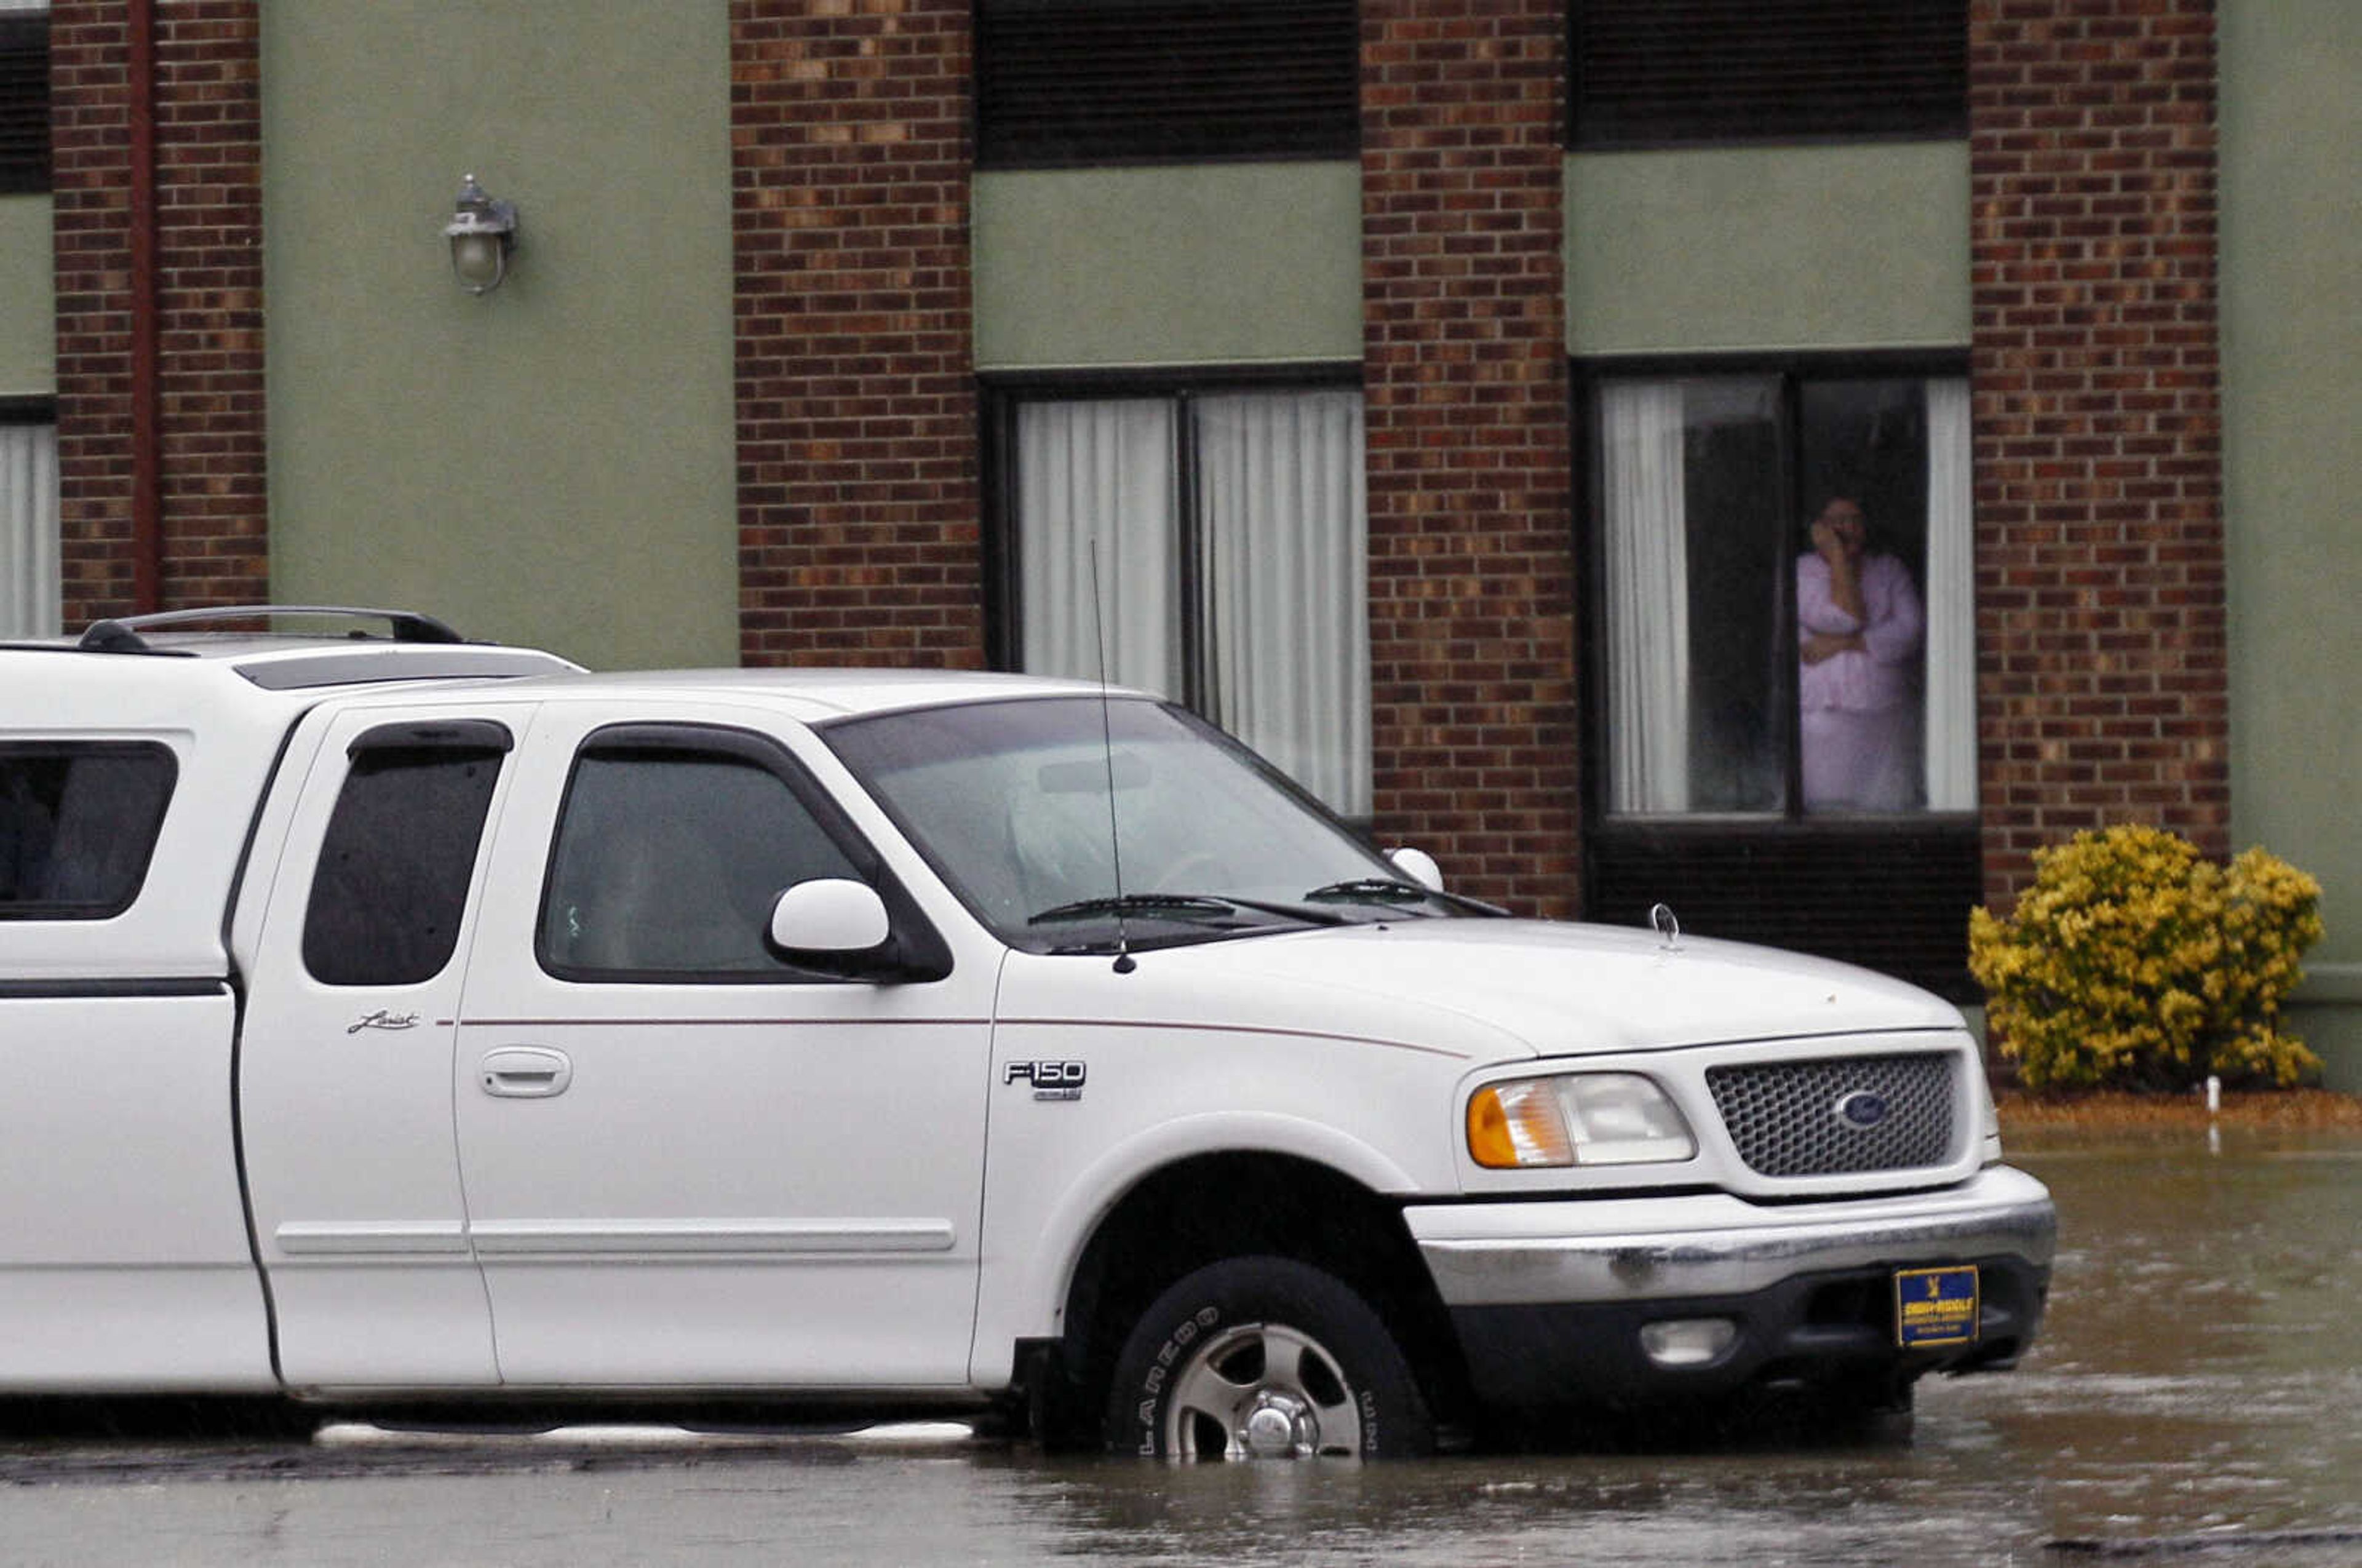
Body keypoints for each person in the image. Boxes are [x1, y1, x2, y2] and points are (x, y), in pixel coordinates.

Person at [1797, 496, 1923, 811]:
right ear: (1820, 530)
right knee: (1827, 809)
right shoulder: (1804, 571)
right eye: (1837, 521)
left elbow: (1910, 631)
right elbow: (1844, 617)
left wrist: (1842, 643)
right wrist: (1838, 558)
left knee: (1884, 807)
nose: (1847, 528)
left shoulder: (1889, 570)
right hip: (1824, 718)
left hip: (1882, 715)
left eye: (1854, 520)